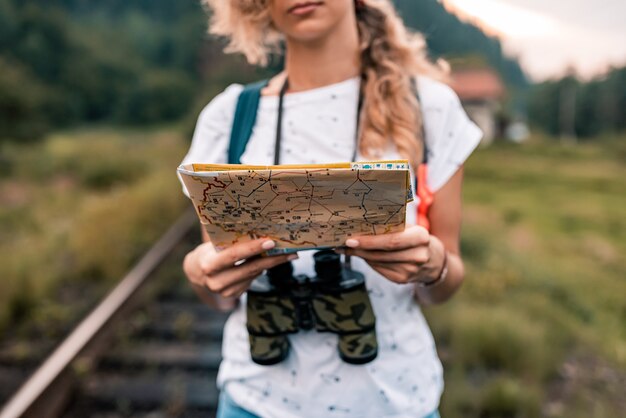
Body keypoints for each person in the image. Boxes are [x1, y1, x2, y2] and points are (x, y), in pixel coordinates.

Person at [179, 1, 482, 417]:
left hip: (393, 402)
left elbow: (447, 279)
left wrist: (434, 266)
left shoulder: (429, 108)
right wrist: (202, 275)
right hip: (255, 403)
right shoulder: (228, 116)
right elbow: (220, 288)